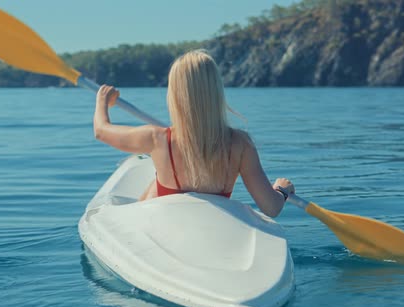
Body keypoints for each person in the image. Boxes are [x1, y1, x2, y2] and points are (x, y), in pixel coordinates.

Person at [93, 49, 294, 217]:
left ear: (175, 94)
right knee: (154, 185)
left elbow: (101, 131)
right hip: (212, 227)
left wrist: (102, 101)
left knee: (156, 186)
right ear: (216, 90)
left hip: (165, 226)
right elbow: (271, 207)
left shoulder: (157, 138)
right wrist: (281, 190)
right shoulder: (240, 144)